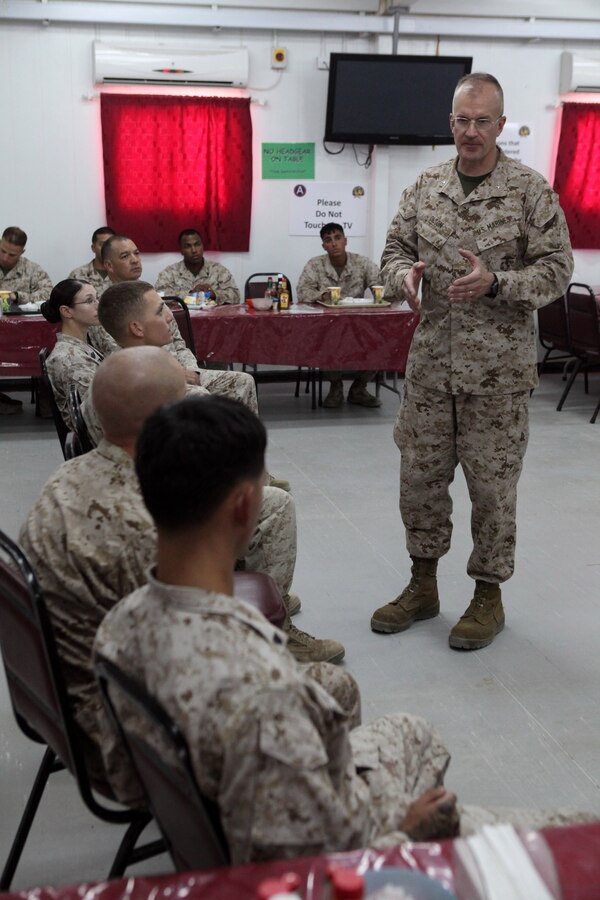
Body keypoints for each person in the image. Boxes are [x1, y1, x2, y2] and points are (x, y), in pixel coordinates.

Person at [94, 394, 594, 864]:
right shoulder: (263, 689)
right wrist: (408, 829)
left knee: (413, 732)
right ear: (246, 506)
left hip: (212, 809)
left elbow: (126, 779)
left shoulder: (120, 623)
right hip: (331, 849)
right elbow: (314, 863)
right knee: (580, 834)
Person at [19, 349, 342, 797]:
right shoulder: (145, 526)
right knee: (336, 692)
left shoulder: (67, 477)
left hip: (66, 702)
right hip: (124, 741)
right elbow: (187, 659)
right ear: (169, 418)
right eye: (188, 395)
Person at [370, 73, 574, 651]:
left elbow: (558, 269)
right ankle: (422, 585)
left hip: (497, 377)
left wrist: (496, 283)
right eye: (462, 119)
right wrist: (399, 276)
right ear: (451, 122)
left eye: (483, 120)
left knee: (492, 490)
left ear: (501, 125)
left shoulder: (529, 191)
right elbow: (392, 252)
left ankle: (488, 596)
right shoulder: (426, 186)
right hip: (431, 369)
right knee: (420, 483)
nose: (471, 131)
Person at [94, 274, 290, 491]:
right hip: (173, 489)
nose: (169, 317)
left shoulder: (148, 333)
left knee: (241, 381)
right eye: (161, 311)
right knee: (201, 401)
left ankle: (254, 475)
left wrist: (189, 371)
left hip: (176, 370)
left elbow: (181, 347)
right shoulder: (128, 376)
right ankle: (234, 483)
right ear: (137, 328)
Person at [296, 223, 382, 409]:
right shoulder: (314, 265)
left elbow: (379, 284)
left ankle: (359, 388)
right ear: (323, 246)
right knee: (327, 341)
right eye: (328, 240)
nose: (334, 243)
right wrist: (322, 296)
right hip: (328, 325)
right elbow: (302, 291)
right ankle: (335, 388)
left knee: (380, 341)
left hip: (359, 324)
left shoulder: (362, 263)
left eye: (337, 238)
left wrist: (378, 294)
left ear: (345, 241)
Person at [40, 279, 104, 438]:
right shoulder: (70, 359)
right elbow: (97, 418)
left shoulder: (82, 344)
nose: (98, 305)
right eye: (89, 301)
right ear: (67, 311)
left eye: (97, 299)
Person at [0, 226, 53, 414]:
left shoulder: (31, 269)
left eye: (12, 254)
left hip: (22, 333)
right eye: (3, 251)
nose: (6, 257)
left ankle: (45, 397)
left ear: (22, 252)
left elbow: (48, 292)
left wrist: (19, 296)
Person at [155, 228, 240, 305]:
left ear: (202, 246)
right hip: (181, 321)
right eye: (188, 246)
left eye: (197, 244)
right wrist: (191, 294)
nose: (194, 250)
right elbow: (159, 296)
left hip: (213, 319)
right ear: (181, 250)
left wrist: (213, 295)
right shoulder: (170, 272)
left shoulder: (218, 270)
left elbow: (236, 296)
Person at [68, 226, 116, 293]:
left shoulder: (123, 272)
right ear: (93, 248)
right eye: (102, 244)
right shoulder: (77, 275)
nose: (106, 248)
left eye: (110, 244)